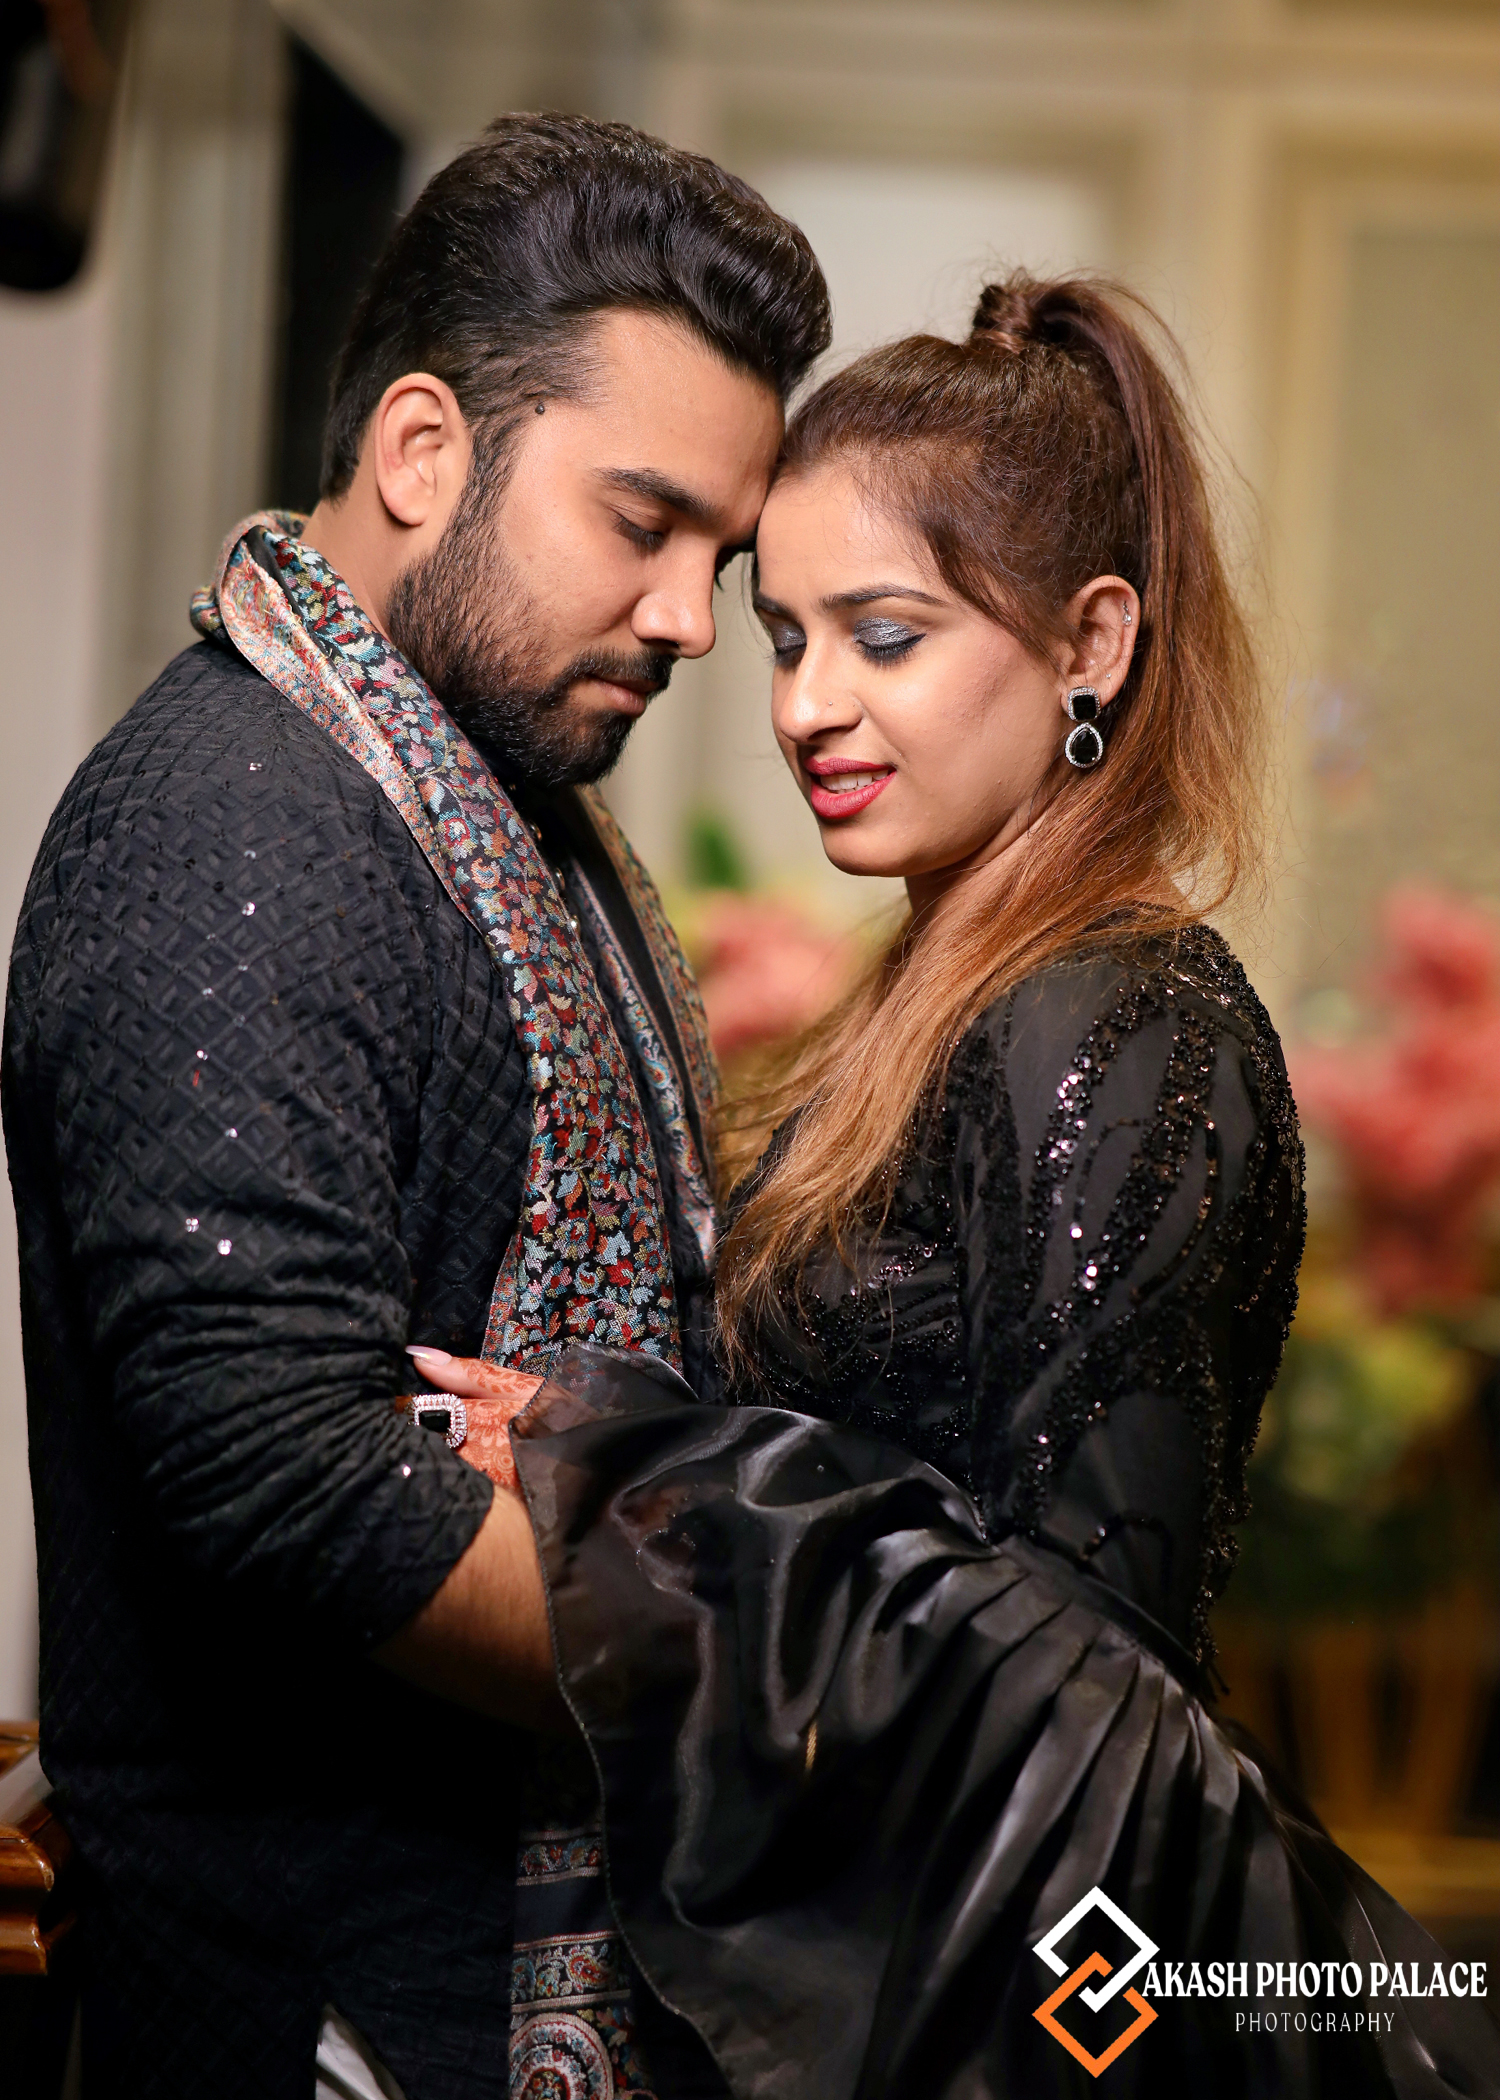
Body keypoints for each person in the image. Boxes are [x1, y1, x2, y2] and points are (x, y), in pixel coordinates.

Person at [419, 275, 1500, 2096]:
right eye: (785, 637)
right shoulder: (948, 998)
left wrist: (631, 1467)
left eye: (886, 636)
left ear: (1094, 643)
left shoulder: (1126, 1017)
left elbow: (1082, 1686)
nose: (806, 705)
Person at [3, 113, 829, 2099]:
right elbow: (282, 1472)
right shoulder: (237, 825)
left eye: (719, 558)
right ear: (422, 449)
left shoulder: (498, 812)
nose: (690, 619)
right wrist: (764, 1678)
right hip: (327, 2008)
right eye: (641, 524)